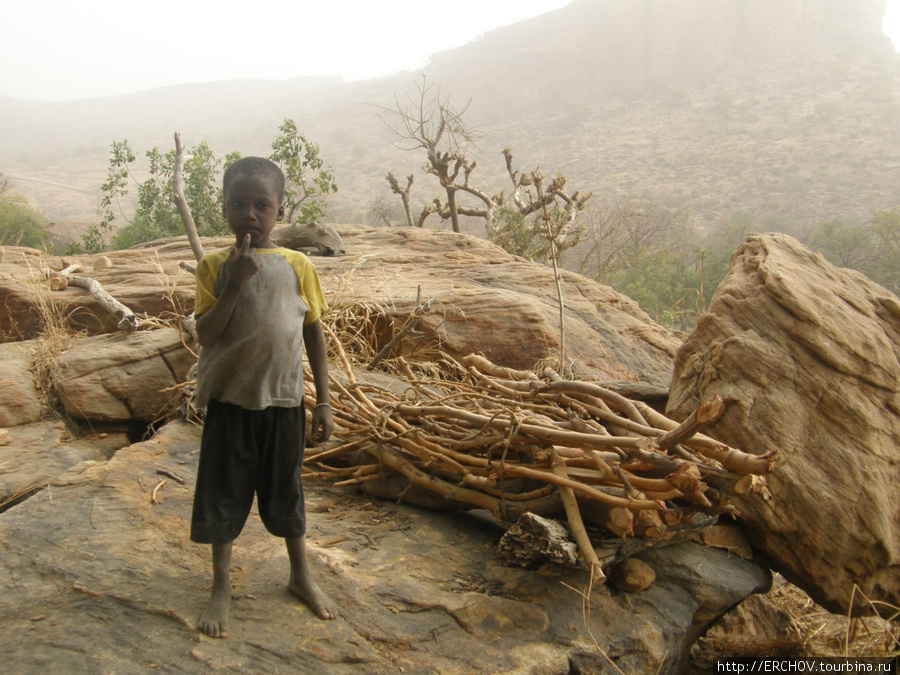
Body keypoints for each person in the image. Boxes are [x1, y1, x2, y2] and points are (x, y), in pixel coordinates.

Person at [190, 156, 336, 638]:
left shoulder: (298, 265)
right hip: (231, 403)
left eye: (261, 205)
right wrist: (234, 283)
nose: (249, 214)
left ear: (280, 209)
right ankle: (220, 587)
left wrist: (325, 400)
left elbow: (314, 332)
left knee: (286, 492)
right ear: (224, 208)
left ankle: (300, 575)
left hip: (284, 402)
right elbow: (207, 336)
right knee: (222, 495)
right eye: (238, 204)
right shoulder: (214, 266)